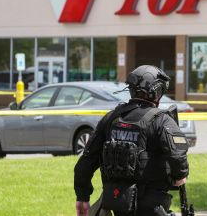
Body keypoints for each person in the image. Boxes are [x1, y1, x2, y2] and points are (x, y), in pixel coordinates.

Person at [74, 65, 189, 216]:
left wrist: (82, 197)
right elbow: (178, 156)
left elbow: (86, 161)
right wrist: (180, 176)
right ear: (156, 91)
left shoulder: (111, 118)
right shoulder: (162, 121)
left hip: (116, 203)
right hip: (152, 205)